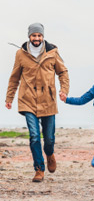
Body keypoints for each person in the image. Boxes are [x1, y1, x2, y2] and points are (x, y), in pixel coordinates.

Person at [5, 23, 69, 182]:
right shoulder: (20, 54)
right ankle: (39, 169)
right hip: (28, 100)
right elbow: (14, 77)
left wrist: (64, 90)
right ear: (29, 36)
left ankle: (50, 153)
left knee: (49, 139)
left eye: (39, 35)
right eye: (34, 35)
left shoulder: (52, 52)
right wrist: (9, 98)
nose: (36, 38)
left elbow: (63, 72)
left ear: (43, 36)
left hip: (48, 100)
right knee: (34, 136)